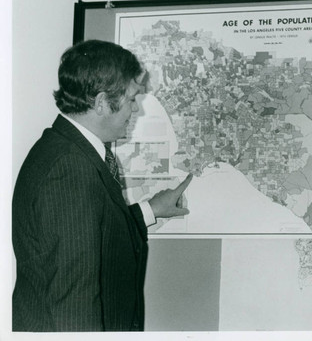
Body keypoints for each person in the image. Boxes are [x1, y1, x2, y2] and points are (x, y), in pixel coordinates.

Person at [12, 40, 193, 331]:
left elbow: (93, 236)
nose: (137, 111)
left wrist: (151, 209)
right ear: (101, 102)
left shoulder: (68, 149)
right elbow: (74, 299)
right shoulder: (68, 170)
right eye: (132, 99)